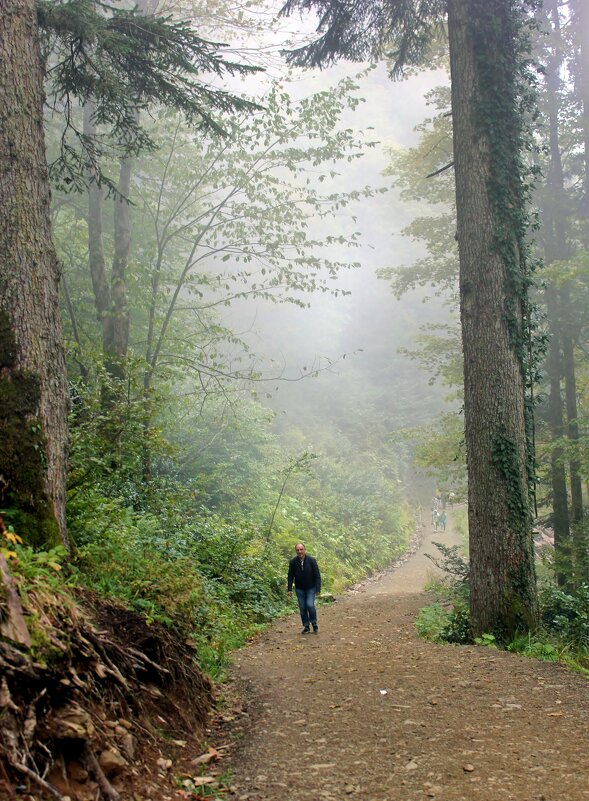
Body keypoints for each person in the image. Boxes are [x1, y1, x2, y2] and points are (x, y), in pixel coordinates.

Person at [287, 543, 321, 634]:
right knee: (302, 607)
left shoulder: (311, 560)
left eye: (301, 549)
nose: (299, 552)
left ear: (304, 550)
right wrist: (289, 589)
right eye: (297, 550)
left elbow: (317, 575)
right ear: (296, 551)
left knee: (310, 605)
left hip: (311, 587)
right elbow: (290, 576)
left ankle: (314, 623)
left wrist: (318, 589)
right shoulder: (293, 562)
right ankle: (306, 626)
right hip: (299, 589)